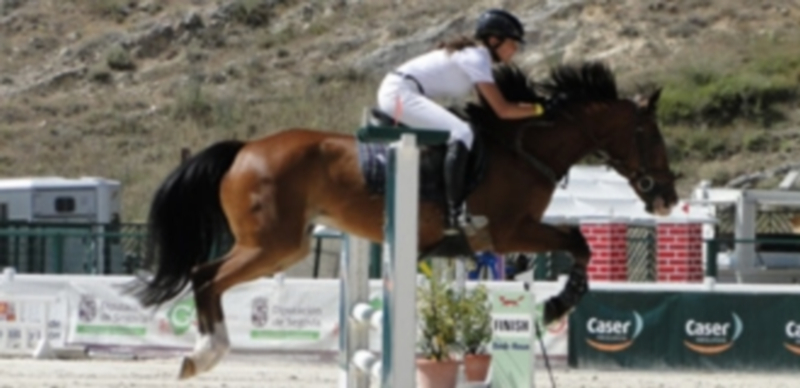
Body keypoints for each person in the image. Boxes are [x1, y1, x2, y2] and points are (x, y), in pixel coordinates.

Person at [375, 9, 544, 254]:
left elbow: (491, 108)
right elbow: (503, 110)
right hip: (399, 95)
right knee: (462, 133)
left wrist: (536, 106)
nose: (515, 50)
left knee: (464, 129)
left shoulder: (476, 58)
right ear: (494, 40)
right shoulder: (477, 58)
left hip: (404, 92)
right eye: (513, 43)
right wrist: (541, 109)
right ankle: (455, 214)